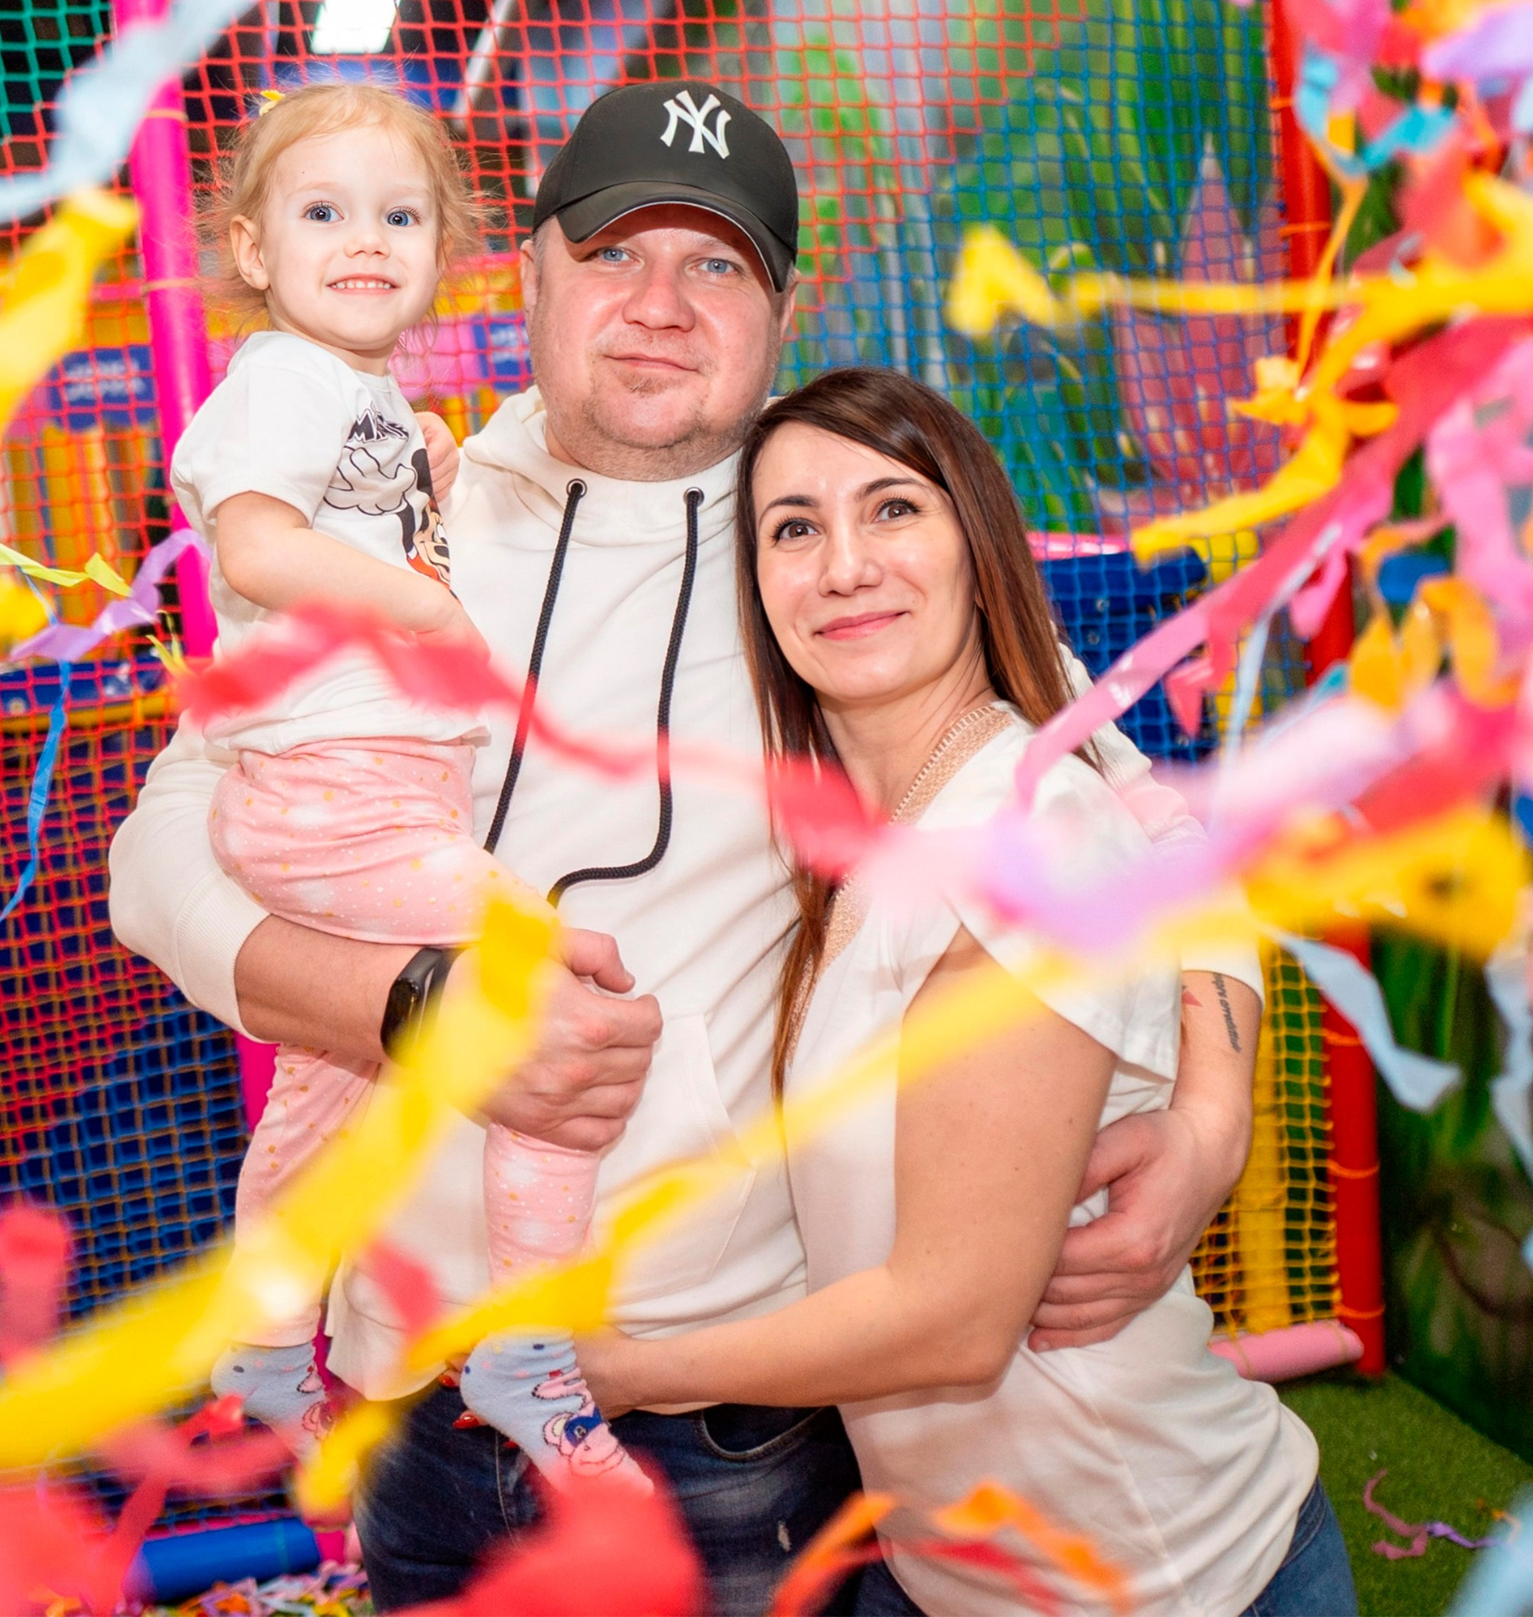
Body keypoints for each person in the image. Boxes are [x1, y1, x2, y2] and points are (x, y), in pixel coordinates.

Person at [111, 80, 1265, 1611]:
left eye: (716, 265)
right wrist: (401, 1008)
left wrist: (1211, 1111)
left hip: (723, 1431)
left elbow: (1154, 826)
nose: (660, 305)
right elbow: (163, 846)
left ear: (779, 309)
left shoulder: (837, 549)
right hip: (409, 1406)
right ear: (524, 270)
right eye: (614, 252)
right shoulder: (392, 511)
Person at [578, 369, 1350, 1617]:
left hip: (1171, 1577)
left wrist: (619, 1372)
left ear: (973, 542)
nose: (842, 565)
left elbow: (952, 1319)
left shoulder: (1018, 826)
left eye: (892, 509)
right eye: (793, 528)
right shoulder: (878, 801)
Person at [172, 82, 644, 1493]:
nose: (365, 239)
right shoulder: (282, 379)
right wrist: (417, 601)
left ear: (443, 246)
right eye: (323, 213)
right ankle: (522, 1344)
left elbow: (320, 515)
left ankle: (260, 1344)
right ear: (252, 248)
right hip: (341, 800)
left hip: (364, 799)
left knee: (332, 1077)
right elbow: (251, 544)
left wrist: (416, 491)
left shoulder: (361, 397)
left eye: (398, 215)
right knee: (564, 996)